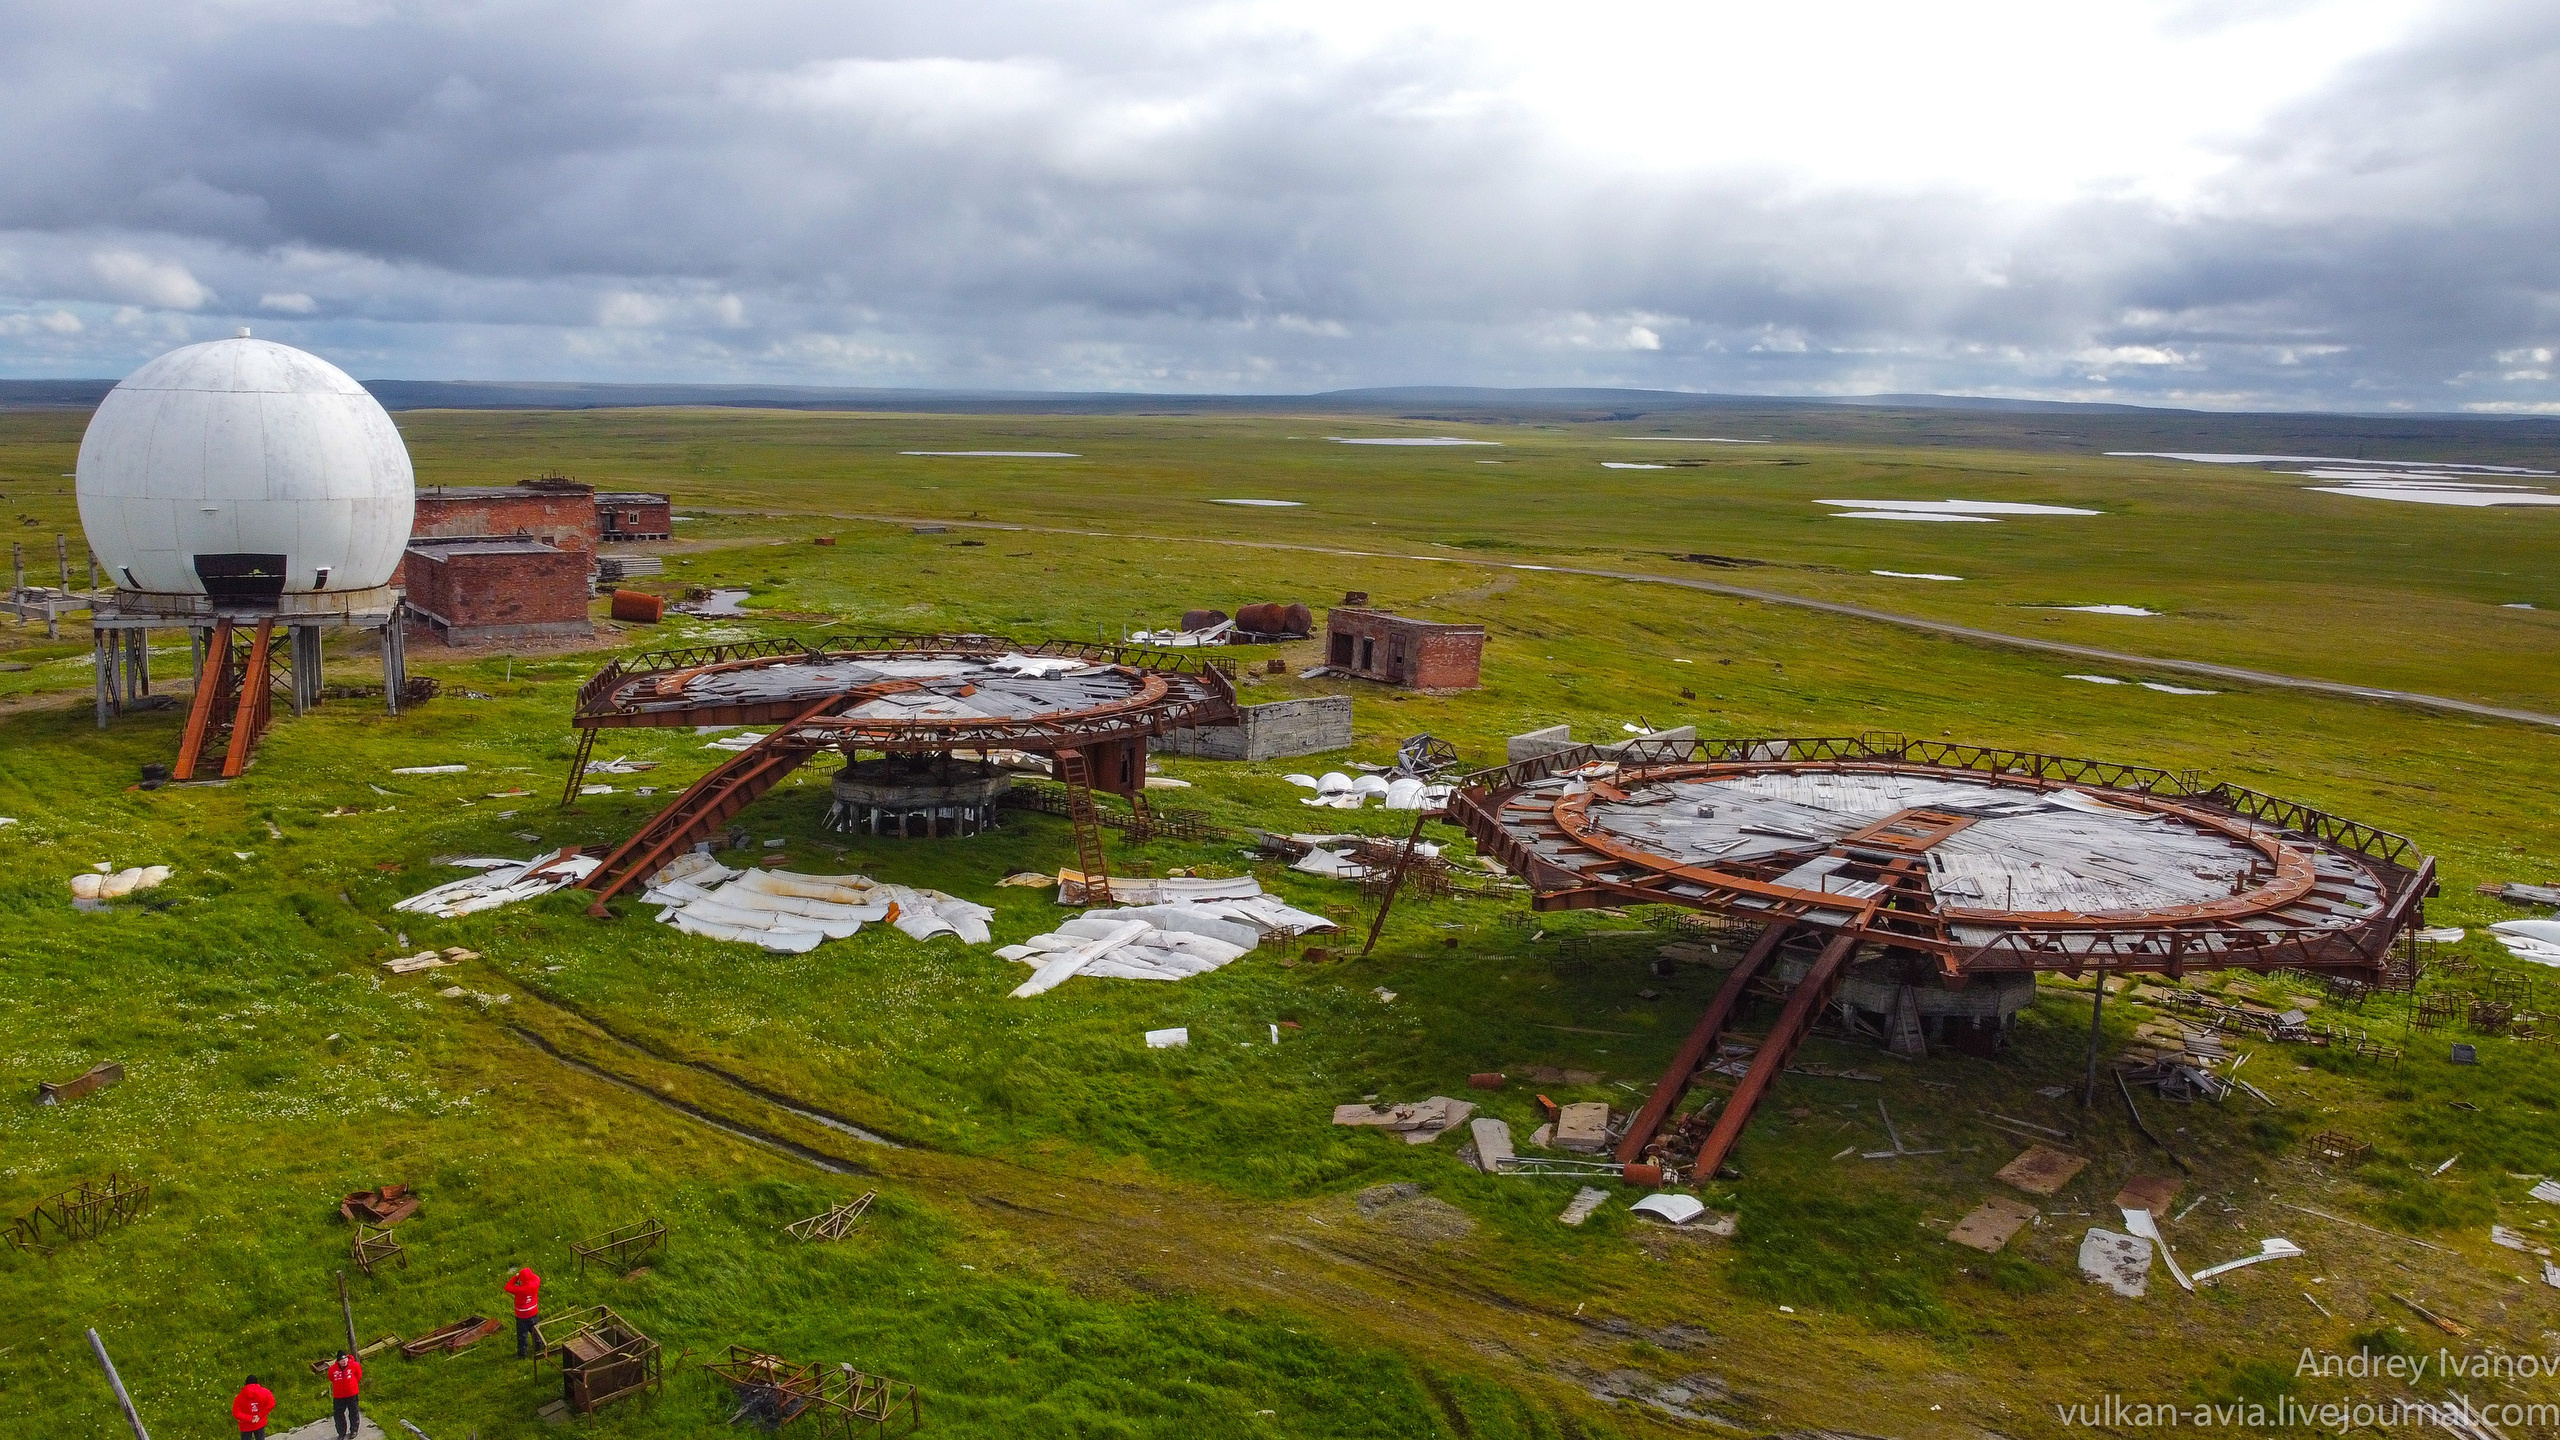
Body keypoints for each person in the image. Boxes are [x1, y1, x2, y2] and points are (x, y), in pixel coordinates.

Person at [503, 1264, 542, 1358]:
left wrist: (516, 1277)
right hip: (533, 1312)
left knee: (522, 1334)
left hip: (522, 1315)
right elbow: (536, 1277)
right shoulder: (536, 1283)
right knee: (535, 1330)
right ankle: (539, 1346)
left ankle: (522, 1353)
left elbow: (507, 1287)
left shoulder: (519, 1289)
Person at [325, 1351, 363, 1438]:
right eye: (342, 1360)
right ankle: (341, 1433)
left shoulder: (355, 1365)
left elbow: (358, 1375)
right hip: (339, 1396)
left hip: (352, 1394)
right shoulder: (332, 1369)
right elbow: (331, 1378)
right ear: (338, 1361)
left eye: (345, 1359)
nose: (344, 1361)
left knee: (353, 1412)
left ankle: (354, 1430)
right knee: (338, 1415)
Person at [232, 1375, 275, 1439]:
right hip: (259, 1423)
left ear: (246, 1383)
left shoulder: (240, 1397)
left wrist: (250, 1418)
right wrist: (259, 1415)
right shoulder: (265, 1392)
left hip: (245, 1425)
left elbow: (236, 1412)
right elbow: (271, 1403)